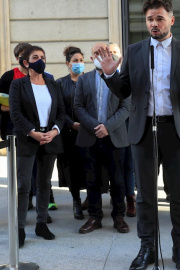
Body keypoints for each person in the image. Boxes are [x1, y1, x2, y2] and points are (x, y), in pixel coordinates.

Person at [97, 0, 180, 268]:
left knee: (179, 194)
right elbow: (125, 90)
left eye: (160, 18)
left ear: (171, 20)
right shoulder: (135, 50)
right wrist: (110, 76)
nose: (154, 23)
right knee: (145, 196)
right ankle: (147, 248)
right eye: (150, 19)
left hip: (176, 130)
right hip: (143, 130)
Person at [9, 45, 65, 247]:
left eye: (43, 56)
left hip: (50, 139)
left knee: (44, 184)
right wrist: (32, 132)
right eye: (35, 57)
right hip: (28, 139)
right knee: (24, 186)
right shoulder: (18, 85)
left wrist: (55, 130)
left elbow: (61, 113)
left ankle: (41, 223)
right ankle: (20, 228)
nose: (40, 60)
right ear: (26, 62)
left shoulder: (52, 84)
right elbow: (15, 114)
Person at [74, 42, 131, 235]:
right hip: (90, 136)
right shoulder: (84, 79)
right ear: (91, 58)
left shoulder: (121, 78)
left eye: (103, 52)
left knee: (118, 179)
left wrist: (107, 127)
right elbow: (78, 107)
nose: (100, 56)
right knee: (92, 179)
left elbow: (126, 107)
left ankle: (119, 217)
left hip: (114, 135)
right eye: (96, 54)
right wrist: (94, 126)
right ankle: (94, 217)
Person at [55, 45, 87, 220]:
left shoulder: (90, 80)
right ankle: (76, 201)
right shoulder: (60, 84)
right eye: (75, 61)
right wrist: (71, 123)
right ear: (68, 64)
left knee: (90, 167)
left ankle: (91, 198)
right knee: (71, 168)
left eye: (81, 61)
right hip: (68, 133)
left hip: (88, 132)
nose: (79, 64)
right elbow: (58, 109)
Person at [108, 42, 137, 217]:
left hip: (128, 128)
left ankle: (130, 199)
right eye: (109, 52)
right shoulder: (102, 76)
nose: (112, 55)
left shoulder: (128, 77)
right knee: (113, 167)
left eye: (115, 52)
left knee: (128, 166)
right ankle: (116, 196)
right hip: (109, 128)